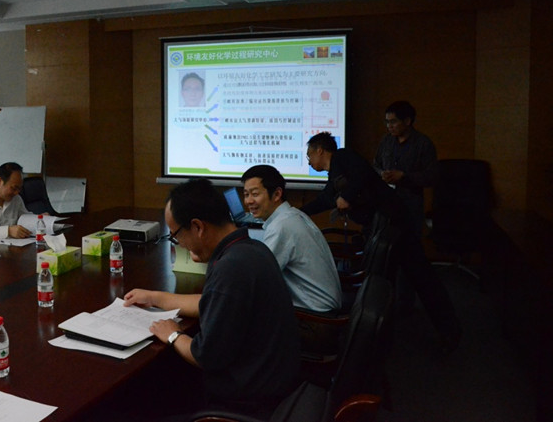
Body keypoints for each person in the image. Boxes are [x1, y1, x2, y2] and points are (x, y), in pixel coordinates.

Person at [124, 178, 300, 418]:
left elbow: (204, 356)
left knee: (147, 390)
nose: (180, 245)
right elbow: (212, 302)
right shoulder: (250, 249)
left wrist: (173, 334)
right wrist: (155, 297)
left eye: (176, 236)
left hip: (247, 398)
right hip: (273, 381)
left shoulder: (231, 268)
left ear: (198, 227)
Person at [301, 132, 461, 351]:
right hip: (384, 228)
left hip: (395, 223)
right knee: (386, 284)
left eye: (309, 155)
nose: (309, 161)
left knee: (422, 276)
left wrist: (346, 196)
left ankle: (450, 331)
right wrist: (296, 212)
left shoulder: (343, 157)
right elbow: (325, 200)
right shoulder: (334, 177)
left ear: (320, 150)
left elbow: (362, 173)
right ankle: (384, 336)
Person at [241, 164, 342, 314]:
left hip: (315, 315)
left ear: (277, 194)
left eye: (255, 194)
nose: (248, 201)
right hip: (323, 306)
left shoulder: (282, 226)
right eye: (246, 194)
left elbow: (258, 277)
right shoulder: (292, 215)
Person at [373, 101, 438, 312]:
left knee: (409, 256)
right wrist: (381, 174)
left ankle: (405, 303)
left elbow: (431, 176)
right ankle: (384, 299)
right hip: (386, 203)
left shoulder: (423, 144)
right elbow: (375, 165)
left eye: (393, 122)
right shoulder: (386, 141)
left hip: (410, 205)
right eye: (387, 122)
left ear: (408, 121)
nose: (389, 126)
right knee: (386, 252)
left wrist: (405, 177)